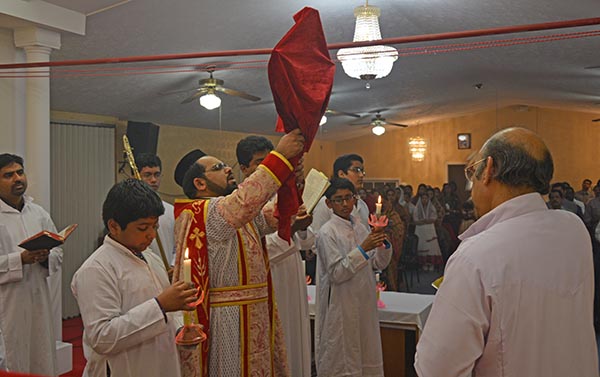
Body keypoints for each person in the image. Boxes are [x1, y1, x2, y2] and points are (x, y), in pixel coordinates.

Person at [415, 127, 598, 377]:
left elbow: (436, 368)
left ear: (489, 169)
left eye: (472, 173)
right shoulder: (574, 230)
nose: (471, 189)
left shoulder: (475, 257)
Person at [174, 129, 305, 376]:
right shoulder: (203, 212)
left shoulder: (234, 212)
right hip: (229, 319)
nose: (227, 169)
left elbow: (276, 213)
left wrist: (293, 179)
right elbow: (245, 202)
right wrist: (279, 158)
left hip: (256, 312)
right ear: (199, 184)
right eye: (218, 167)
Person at [71, 179, 196, 377]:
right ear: (114, 226)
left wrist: (181, 328)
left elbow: (169, 315)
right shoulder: (96, 269)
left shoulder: (150, 257)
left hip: (161, 363)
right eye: (143, 228)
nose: (152, 235)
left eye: (154, 226)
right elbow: (103, 337)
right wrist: (160, 306)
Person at [236, 135, 313, 377]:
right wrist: (292, 229)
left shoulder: (281, 193)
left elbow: (308, 243)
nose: (269, 168)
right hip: (269, 281)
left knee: (295, 336)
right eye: (260, 162)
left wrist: (300, 225)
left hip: (291, 275)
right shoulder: (238, 203)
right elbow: (252, 250)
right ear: (244, 168)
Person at [315, 178, 391, 377]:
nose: (345, 203)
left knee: (366, 353)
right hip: (342, 303)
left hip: (364, 300)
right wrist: (363, 248)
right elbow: (336, 273)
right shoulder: (327, 232)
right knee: (343, 359)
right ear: (328, 203)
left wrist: (382, 244)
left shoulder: (359, 226)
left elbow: (377, 264)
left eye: (348, 198)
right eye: (338, 199)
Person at [0, 154, 62, 375]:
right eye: (8, 175)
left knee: (41, 354)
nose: (17, 178)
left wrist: (45, 257)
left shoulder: (38, 212)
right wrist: (20, 259)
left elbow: (59, 253)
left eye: (20, 172)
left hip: (38, 298)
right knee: (14, 357)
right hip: (8, 304)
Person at [136, 153, 176, 265]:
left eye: (157, 175)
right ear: (136, 176)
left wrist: (172, 265)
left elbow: (177, 246)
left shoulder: (171, 211)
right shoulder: (130, 211)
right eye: (147, 175)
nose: (153, 180)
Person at [312, 154, 369, 231]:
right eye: (356, 170)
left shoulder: (362, 204)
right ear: (341, 174)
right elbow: (317, 236)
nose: (361, 175)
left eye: (362, 171)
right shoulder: (326, 203)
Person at [413, 192, 442, 272]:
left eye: (426, 198)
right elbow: (415, 220)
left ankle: (431, 263)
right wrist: (423, 221)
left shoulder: (432, 207)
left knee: (431, 246)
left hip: (430, 229)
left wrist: (427, 221)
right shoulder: (417, 208)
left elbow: (434, 218)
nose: (424, 200)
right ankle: (423, 264)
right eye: (423, 198)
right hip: (420, 229)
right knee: (421, 245)